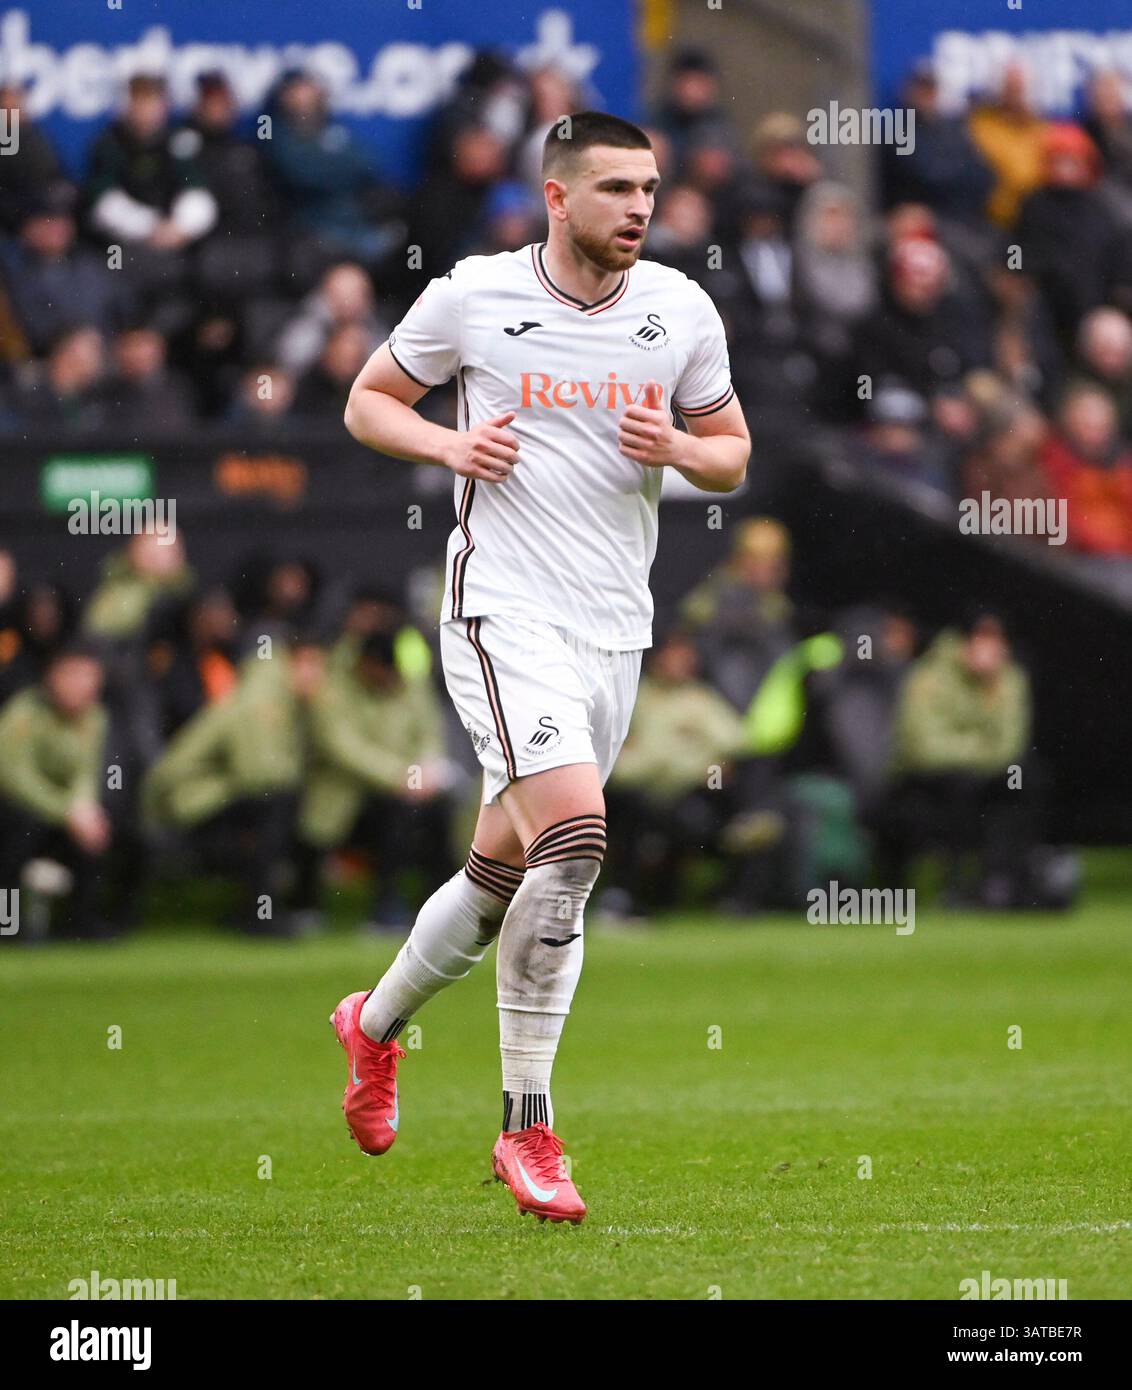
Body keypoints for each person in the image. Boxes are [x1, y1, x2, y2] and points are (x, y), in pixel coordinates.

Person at [340, 111, 750, 1223]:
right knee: (575, 841)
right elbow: (367, 401)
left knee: (501, 878)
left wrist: (682, 449)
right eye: (616, 188)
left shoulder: (679, 307)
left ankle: (372, 1026)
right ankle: (528, 1127)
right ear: (557, 197)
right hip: (502, 613)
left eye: (649, 188)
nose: (639, 207)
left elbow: (731, 453)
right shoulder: (475, 294)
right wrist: (449, 443)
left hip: (614, 631)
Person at [0, 643, 112, 940]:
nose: (82, 685)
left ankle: (82, 921)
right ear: (53, 676)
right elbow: (14, 777)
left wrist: (84, 808)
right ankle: (6, 922)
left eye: (89, 676)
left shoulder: (96, 718)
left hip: (63, 815)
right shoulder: (24, 713)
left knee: (100, 827)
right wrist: (66, 811)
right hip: (19, 809)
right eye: (73, 675)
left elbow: (88, 772)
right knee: (16, 835)